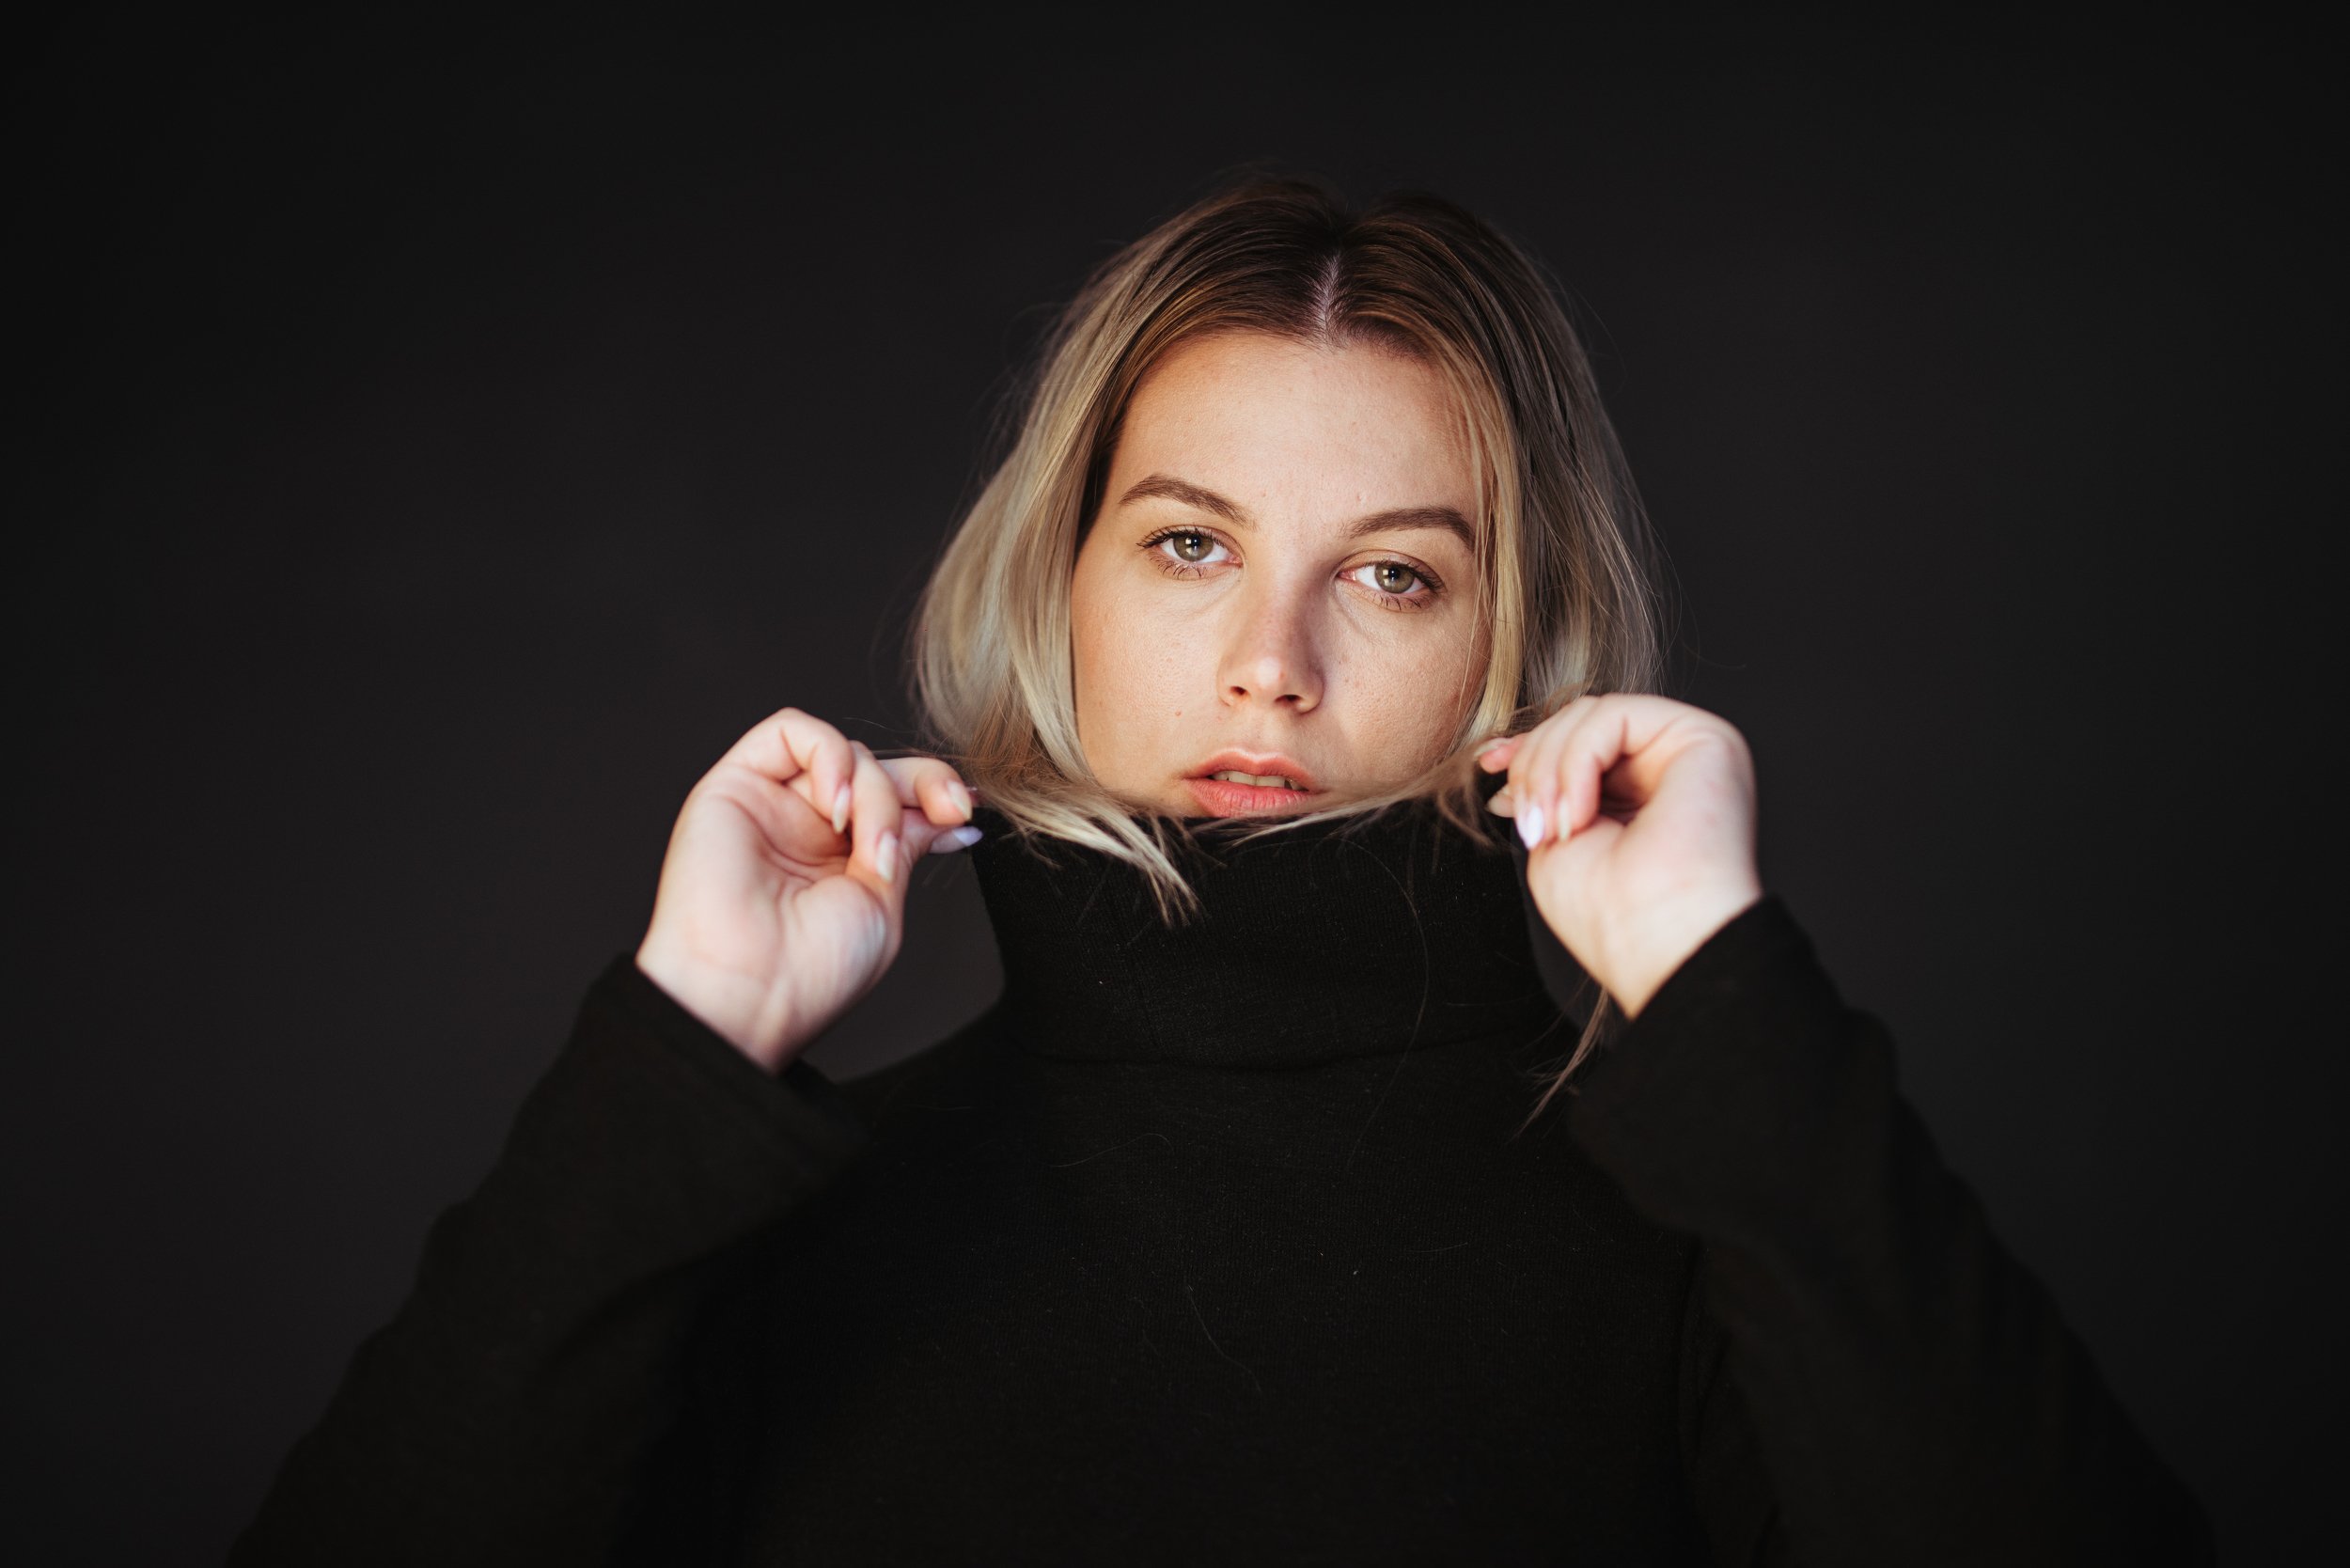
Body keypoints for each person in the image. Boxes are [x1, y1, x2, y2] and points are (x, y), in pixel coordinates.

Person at [228, 177, 2211, 1565]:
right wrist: (679, 1043)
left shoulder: (1708, 1226)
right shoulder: (766, 1215)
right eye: (1186, 543)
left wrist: (1713, 981)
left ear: (1505, 654)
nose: (1273, 657)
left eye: (1389, 572)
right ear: (1062, 587)